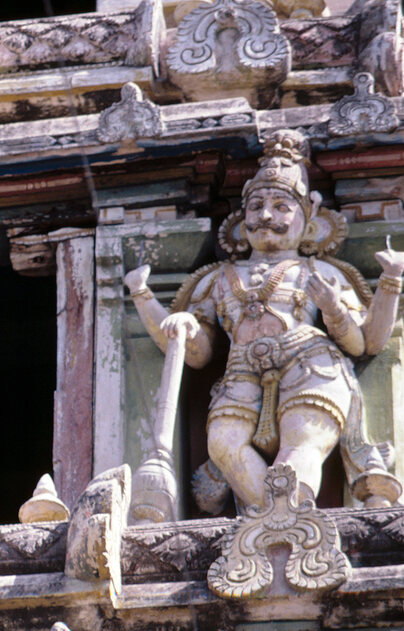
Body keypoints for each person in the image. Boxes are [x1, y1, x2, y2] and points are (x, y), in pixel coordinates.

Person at [125, 129, 402, 514]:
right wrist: (147, 300)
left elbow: (362, 344)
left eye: (281, 206)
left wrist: (365, 293)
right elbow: (199, 355)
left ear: (308, 220)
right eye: (255, 207)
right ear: (241, 219)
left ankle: (288, 522)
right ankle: (275, 522)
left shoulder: (319, 272)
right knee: (223, 443)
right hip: (240, 372)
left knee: (302, 441)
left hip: (310, 364)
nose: (266, 216)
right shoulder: (218, 279)